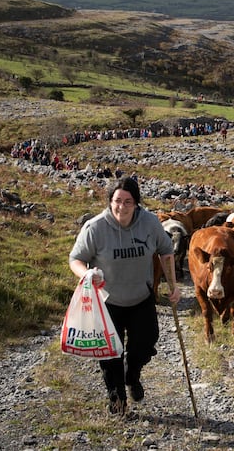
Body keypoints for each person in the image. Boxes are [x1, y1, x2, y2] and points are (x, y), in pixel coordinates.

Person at [68, 177, 181, 416]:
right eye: (117, 201)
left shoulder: (149, 223)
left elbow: (166, 250)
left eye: (128, 201)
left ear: (136, 203)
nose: (122, 206)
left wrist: (172, 285)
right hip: (107, 302)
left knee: (145, 343)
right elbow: (75, 259)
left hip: (141, 296)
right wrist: (86, 274)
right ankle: (117, 399)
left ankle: (132, 374)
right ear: (110, 202)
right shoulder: (95, 228)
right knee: (110, 354)